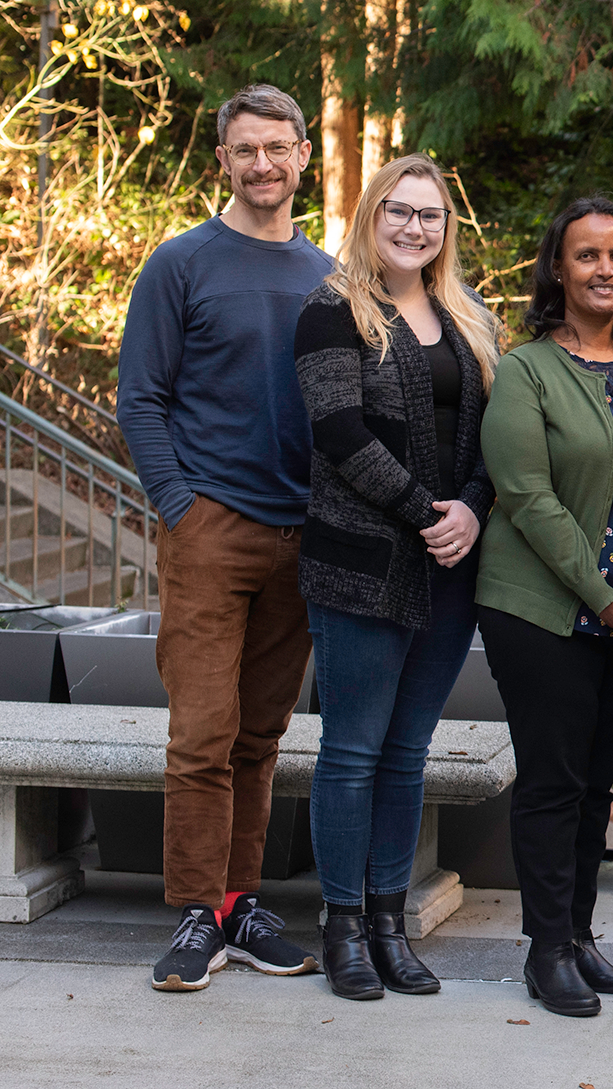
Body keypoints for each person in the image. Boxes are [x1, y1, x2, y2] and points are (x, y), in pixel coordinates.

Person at [117, 84, 335, 992]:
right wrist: (179, 506)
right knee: (202, 734)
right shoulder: (181, 264)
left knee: (260, 735)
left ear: (302, 158)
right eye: (246, 150)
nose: (263, 165)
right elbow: (141, 398)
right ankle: (195, 917)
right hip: (210, 530)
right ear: (224, 161)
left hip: (302, 534)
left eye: (278, 148)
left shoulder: (329, 275)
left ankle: (240, 901)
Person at [475, 197, 613, 1018]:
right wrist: (603, 597)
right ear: (558, 270)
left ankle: (579, 932)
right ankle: (547, 949)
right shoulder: (527, 369)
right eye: (586, 256)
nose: (604, 269)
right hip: (542, 612)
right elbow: (527, 498)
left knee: (598, 781)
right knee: (554, 778)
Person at [294, 155, 502, 1000]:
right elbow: (340, 435)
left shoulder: (468, 318)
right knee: (351, 752)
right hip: (361, 567)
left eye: (432, 215)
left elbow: (498, 434)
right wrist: (429, 512)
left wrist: (474, 512)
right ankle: (343, 927)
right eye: (400, 212)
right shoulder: (331, 310)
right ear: (370, 217)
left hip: (452, 567)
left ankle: (390, 921)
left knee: (408, 753)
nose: (416, 228)